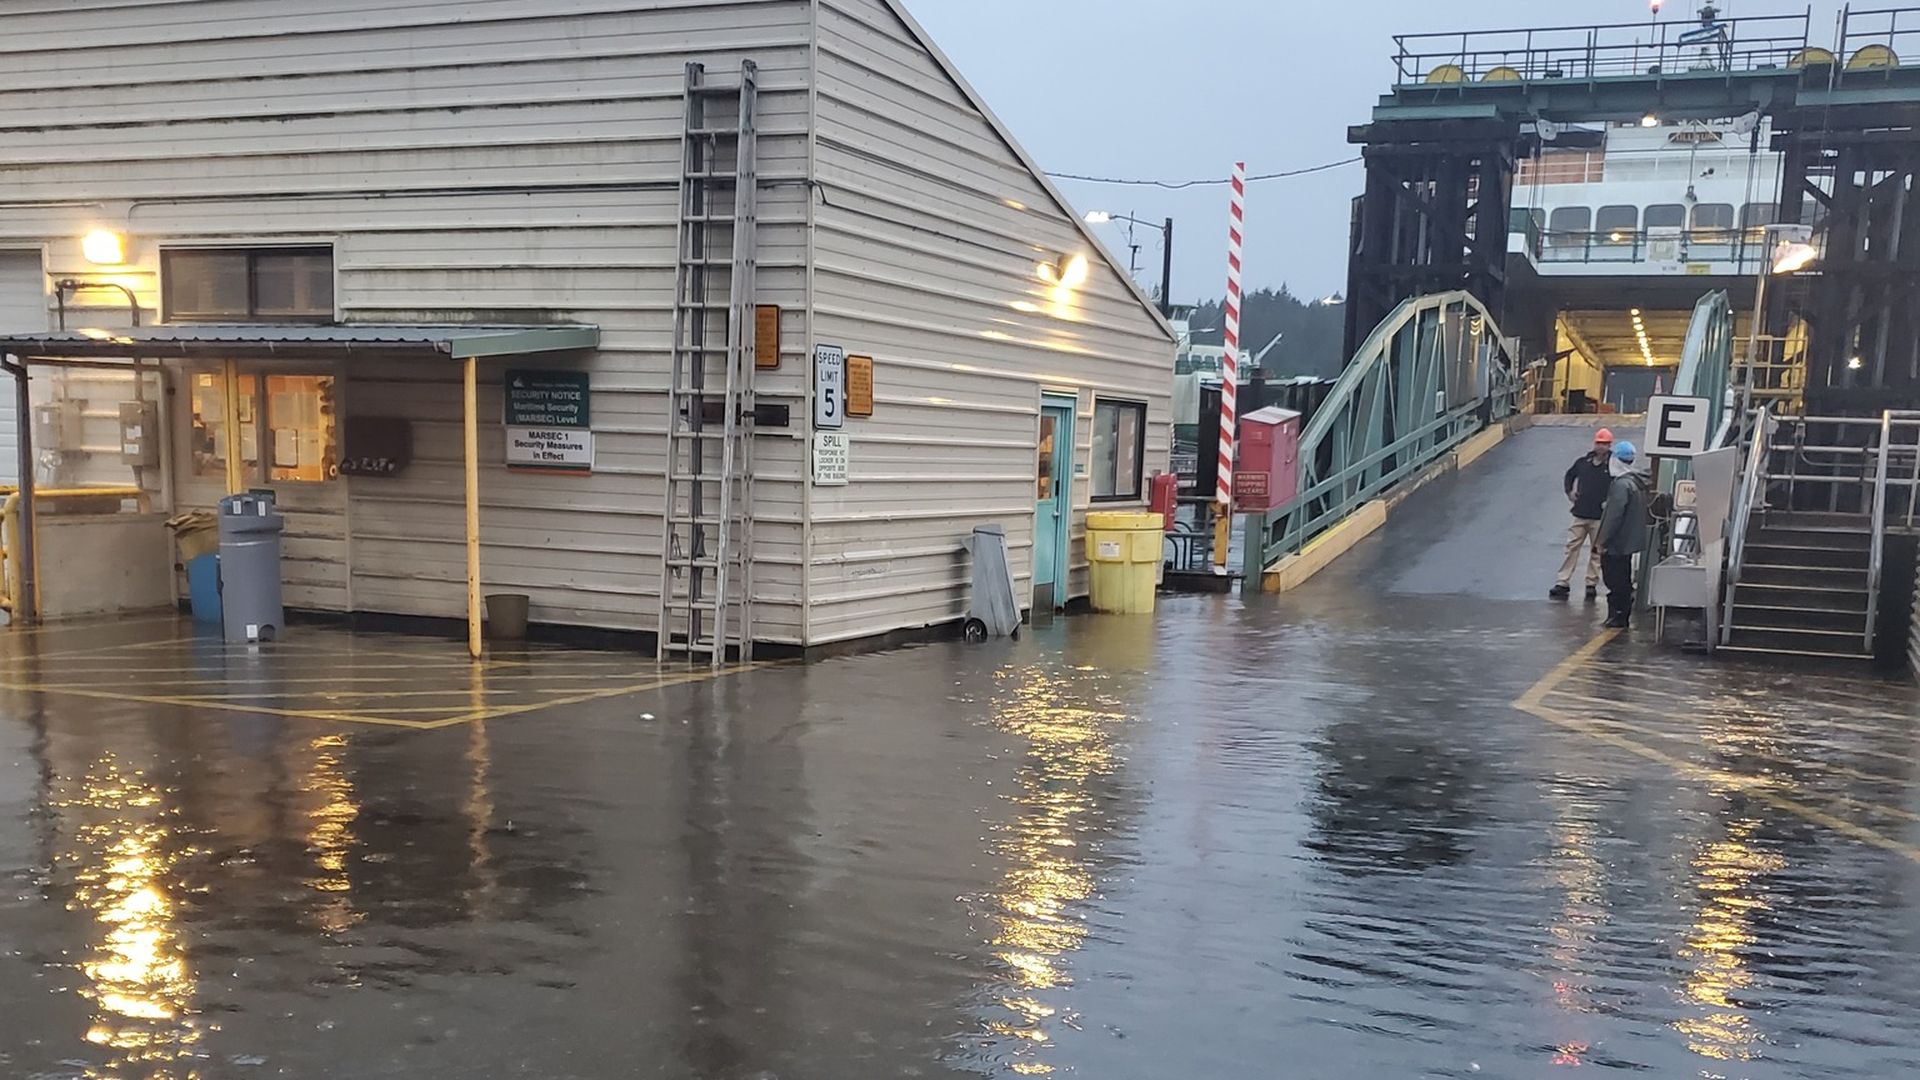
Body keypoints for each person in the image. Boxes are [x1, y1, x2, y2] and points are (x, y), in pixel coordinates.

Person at [1550, 428, 1615, 600]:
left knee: (1596, 552)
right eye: (1599, 443)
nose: (1601, 447)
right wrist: (1569, 492)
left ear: (1610, 445)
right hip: (1580, 513)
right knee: (1572, 547)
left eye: (1604, 444)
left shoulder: (1613, 466)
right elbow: (1570, 475)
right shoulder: (1583, 463)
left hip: (1600, 517)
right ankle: (1563, 581)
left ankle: (1591, 583)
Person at [1596, 440, 1650, 629]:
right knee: (1623, 577)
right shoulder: (1636, 482)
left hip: (1617, 542)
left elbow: (1613, 516)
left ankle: (1617, 615)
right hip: (1628, 541)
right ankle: (1621, 614)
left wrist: (1602, 541)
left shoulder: (1621, 485)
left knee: (1614, 578)